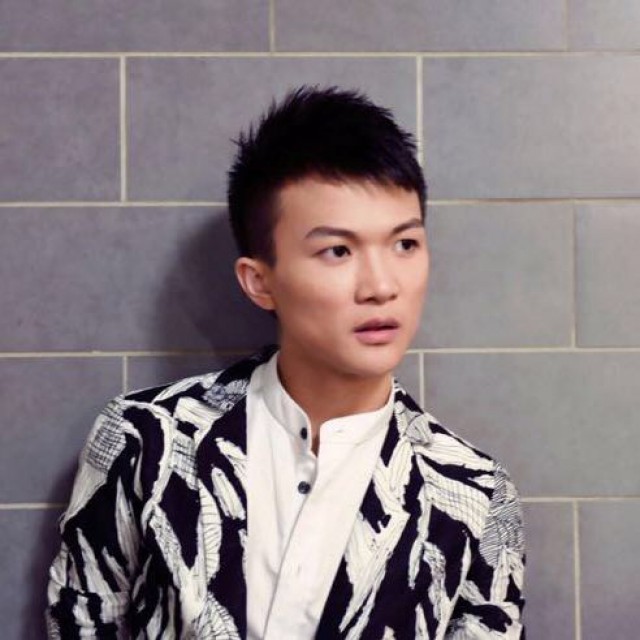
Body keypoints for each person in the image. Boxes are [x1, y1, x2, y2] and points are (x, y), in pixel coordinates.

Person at [46, 86, 525, 639]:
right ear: (259, 281)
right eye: (337, 251)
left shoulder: (474, 495)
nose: (381, 286)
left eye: (405, 244)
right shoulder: (145, 441)